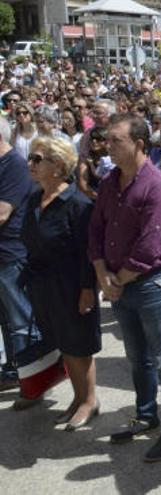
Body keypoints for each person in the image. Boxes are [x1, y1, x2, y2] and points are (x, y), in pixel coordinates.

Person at [88, 114, 161, 462]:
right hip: (117, 283)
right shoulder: (111, 181)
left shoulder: (157, 186)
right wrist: (102, 273)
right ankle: (146, 414)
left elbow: (149, 246)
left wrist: (116, 281)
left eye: (116, 141)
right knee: (137, 357)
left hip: (150, 284)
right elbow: (95, 229)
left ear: (139, 144)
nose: (107, 146)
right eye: (107, 140)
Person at [22, 137, 101, 430]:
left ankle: (89, 400)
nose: (30, 164)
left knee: (79, 344)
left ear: (57, 166)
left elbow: (87, 253)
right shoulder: (34, 197)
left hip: (72, 285)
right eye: (30, 158)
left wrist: (86, 290)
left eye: (37, 159)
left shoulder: (77, 204)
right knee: (64, 342)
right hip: (43, 284)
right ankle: (78, 397)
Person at [0, 117, 46, 400]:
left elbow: (3, 212)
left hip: (11, 253)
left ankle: (33, 381)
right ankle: (15, 371)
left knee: (20, 320)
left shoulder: (14, 164)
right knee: (7, 320)